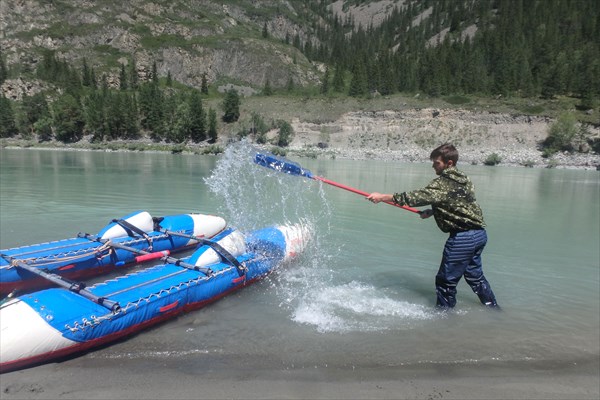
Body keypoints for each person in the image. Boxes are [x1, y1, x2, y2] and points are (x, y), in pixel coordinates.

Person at [366, 143, 499, 309]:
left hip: (462, 239)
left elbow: (416, 197)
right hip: (479, 235)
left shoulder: (442, 183)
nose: (433, 166)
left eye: (436, 163)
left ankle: (444, 321)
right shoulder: (465, 179)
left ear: (449, 163)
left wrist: (383, 196)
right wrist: (435, 211)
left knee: (445, 281)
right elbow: (460, 203)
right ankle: (494, 309)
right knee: (474, 276)